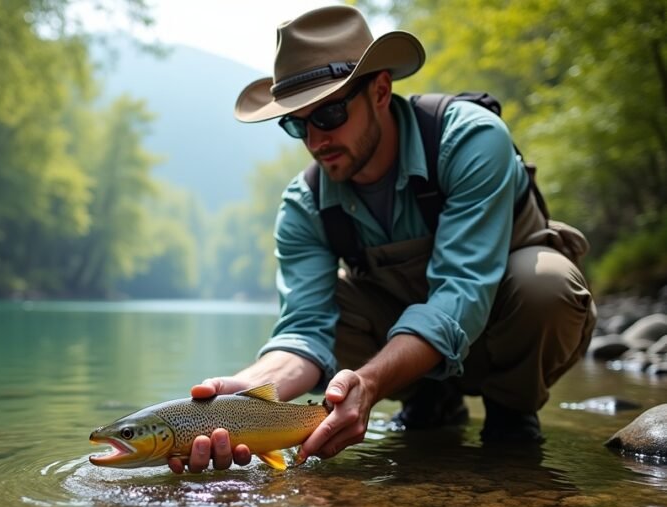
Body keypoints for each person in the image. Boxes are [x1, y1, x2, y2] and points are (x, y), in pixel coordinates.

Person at [168, 5, 597, 474]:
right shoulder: (304, 205)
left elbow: (461, 293)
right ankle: (430, 401)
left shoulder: (471, 140)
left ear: (380, 90)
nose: (315, 139)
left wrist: (369, 384)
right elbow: (304, 330)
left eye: (330, 113)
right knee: (334, 301)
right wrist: (242, 395)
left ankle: (512, 416)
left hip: (499, 329)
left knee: (546, 285)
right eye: (297, 123)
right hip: (407, 355)